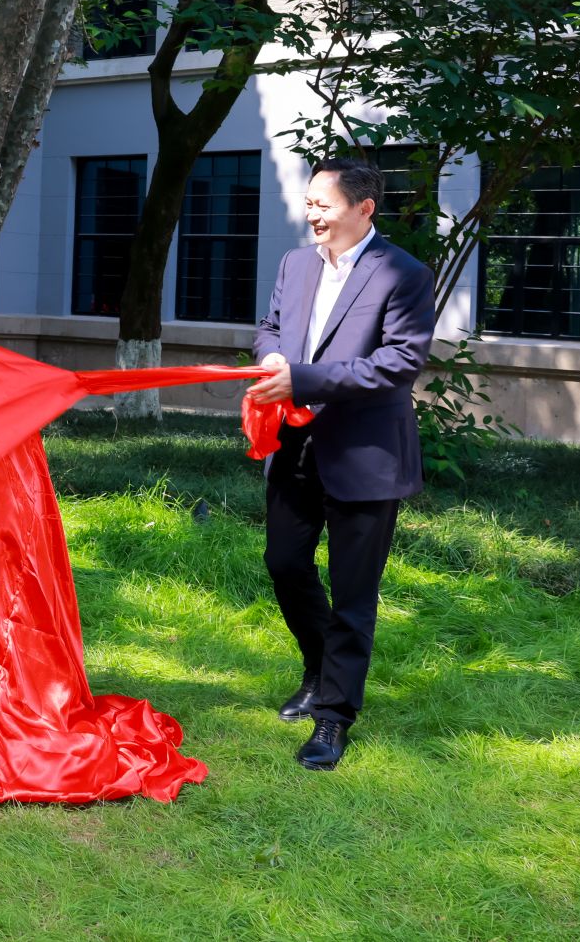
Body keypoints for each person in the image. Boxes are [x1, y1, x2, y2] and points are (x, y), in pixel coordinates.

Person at [245, 158, 435, 771]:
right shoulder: (295, 264)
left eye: (322, 205)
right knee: (284, 563)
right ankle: (320, 666)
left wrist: (302, 380)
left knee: (354, 594)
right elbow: (271, 328)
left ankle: (333, 715)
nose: (312, 215)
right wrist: (275, 360)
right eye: (309, 203)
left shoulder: (403, 273)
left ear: (363, 208)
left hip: (365, 455)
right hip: (294, 446)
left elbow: (398, 363)